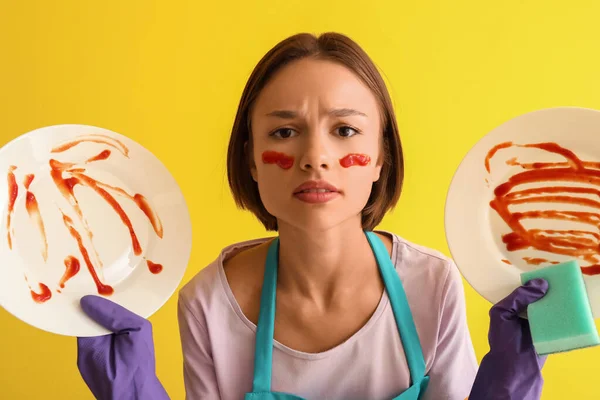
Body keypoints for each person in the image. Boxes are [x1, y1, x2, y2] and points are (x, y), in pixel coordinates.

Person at [76, 32, 549, 400]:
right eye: (284, 131)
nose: (315, 156)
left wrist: (506, 384)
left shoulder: (432, 283)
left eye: (345, 129)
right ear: (251, 160)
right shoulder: (207, 304)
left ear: (381, 157)